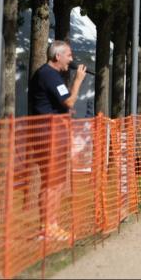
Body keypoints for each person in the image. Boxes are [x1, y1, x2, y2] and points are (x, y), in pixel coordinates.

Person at [27, 41, 87, 242]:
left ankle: (52, 224)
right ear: (57, 56)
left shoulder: (53, 76)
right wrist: (78, 80)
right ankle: (47, 226)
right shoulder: (48, 74)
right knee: (51, 181)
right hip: (47, 135)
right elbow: (69, 100)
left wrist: (65, 112)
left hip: (56, 134)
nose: (71, 59)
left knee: (58, 181)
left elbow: (62, 104)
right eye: (69, 55)